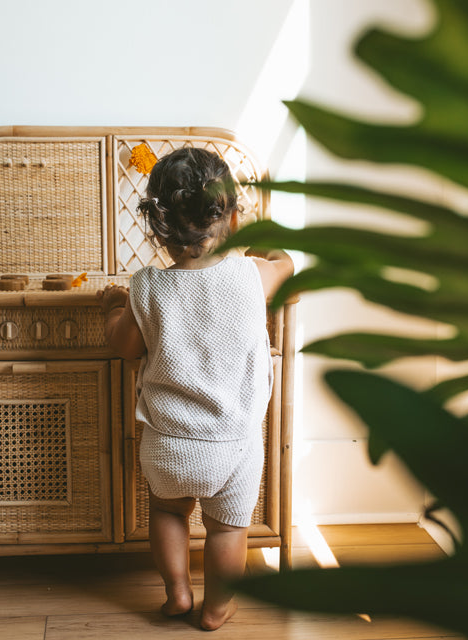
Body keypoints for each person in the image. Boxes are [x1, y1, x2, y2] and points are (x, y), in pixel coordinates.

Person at [98, 147, 293, 631]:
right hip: (234, 445)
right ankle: (217, 608)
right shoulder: (252, 277)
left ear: (158, 225)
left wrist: (112, 307)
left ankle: (177, 593)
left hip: (167, 444)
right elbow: (286, 262)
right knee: (229, 530)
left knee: (168, 514)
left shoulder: (146, 287)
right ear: (228, 215)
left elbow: (125, 347)